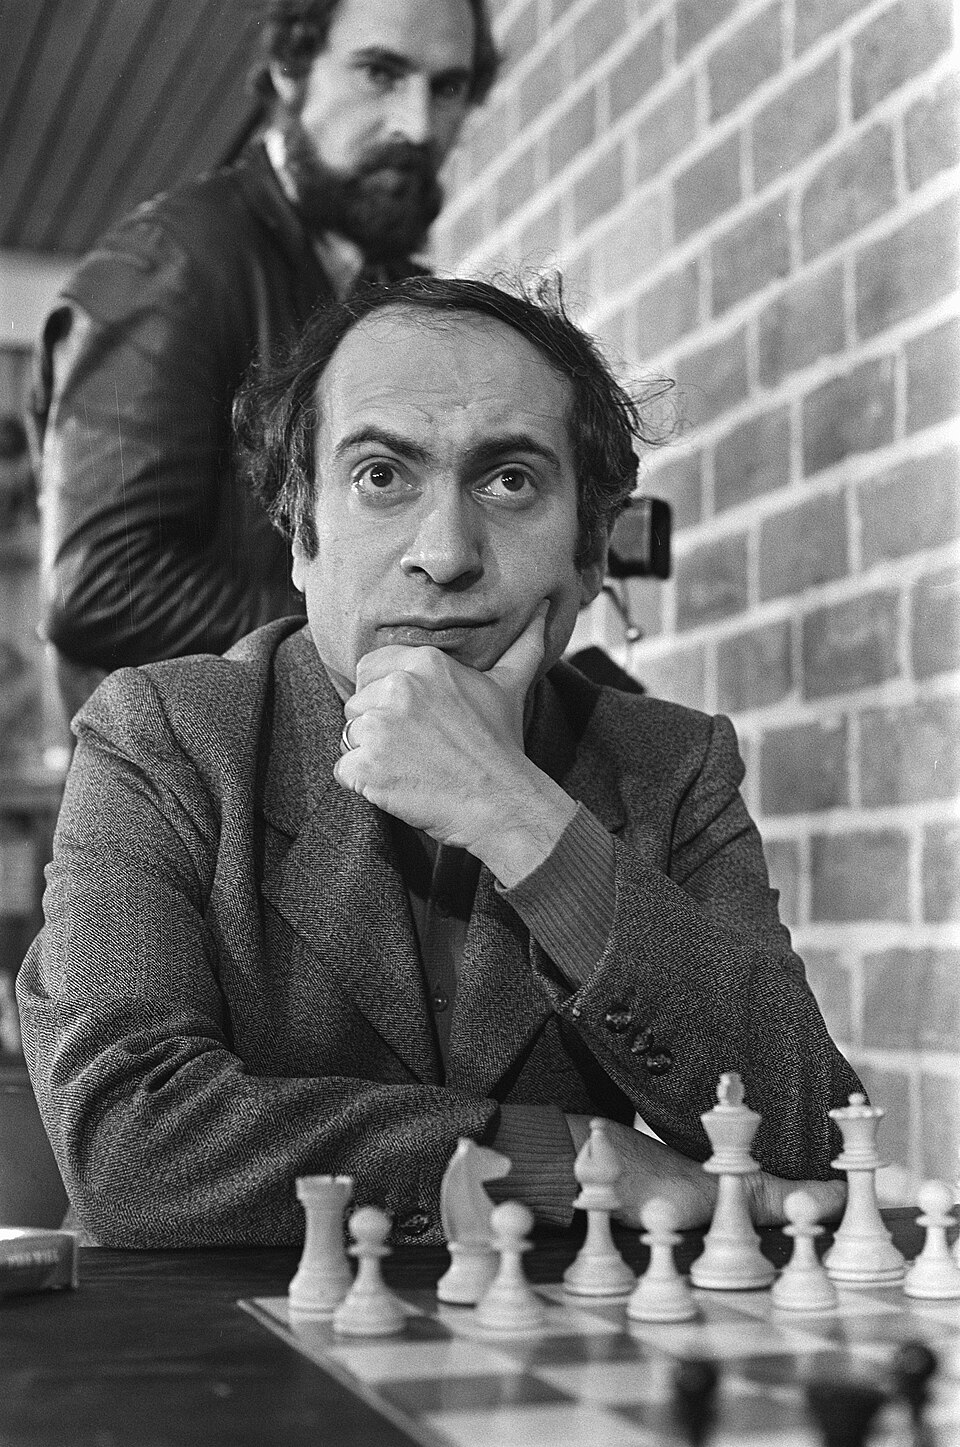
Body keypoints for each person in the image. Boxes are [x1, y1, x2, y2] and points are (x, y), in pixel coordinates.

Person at [17, 276, 861, 1249]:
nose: (447, 552)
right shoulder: (161, 736)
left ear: (589, 555)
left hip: (547, 1332)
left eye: (510, 481)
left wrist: (518, 814)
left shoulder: (671, 764)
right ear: (301, 537)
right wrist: (549, 1160)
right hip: (210, 1333)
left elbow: (812, 1147)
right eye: (382, 475)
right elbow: (128, 1146)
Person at [30, 0, 498, 718]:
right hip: (182, 776)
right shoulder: (172, 262)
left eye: (448, 87)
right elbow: (101, 587)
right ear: (290, 67)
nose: (417, 125)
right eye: (381, 72)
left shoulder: (392, 291)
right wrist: (388, 626)